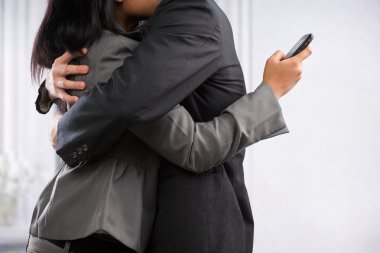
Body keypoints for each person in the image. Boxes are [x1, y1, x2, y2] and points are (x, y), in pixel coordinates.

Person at [34, 0, 312, 253]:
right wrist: (270, 92)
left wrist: (51, 96)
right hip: (85, 231)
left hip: (92, 228)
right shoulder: (116, 53)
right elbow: (195, 147)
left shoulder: (130, 46)